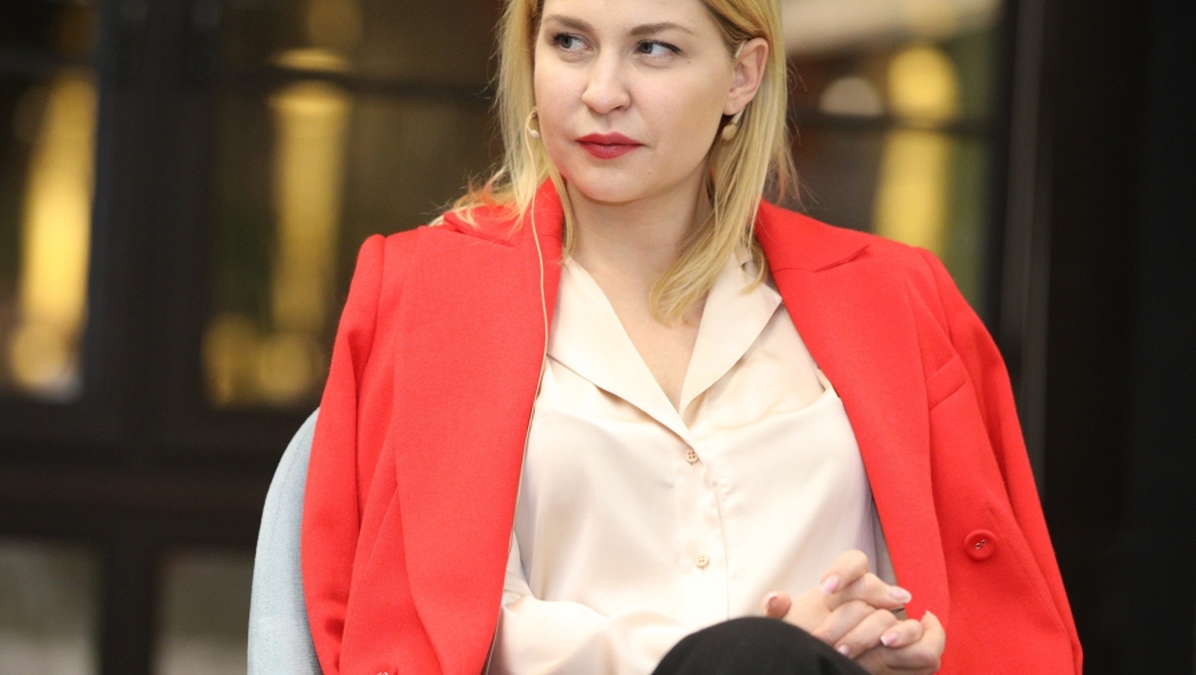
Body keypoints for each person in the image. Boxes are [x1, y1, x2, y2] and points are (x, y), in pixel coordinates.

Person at [297, 0, 1082, 672]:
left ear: (742, 75)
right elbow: (434, 623)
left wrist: (897, 642)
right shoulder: (424, 294)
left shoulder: (900, 300)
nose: (602, 92)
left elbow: (986, 618)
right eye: (569, 42)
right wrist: (738, 656)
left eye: (654, 49)